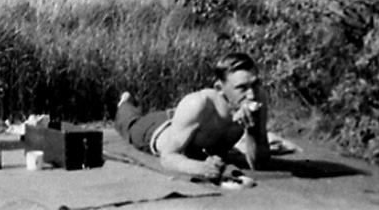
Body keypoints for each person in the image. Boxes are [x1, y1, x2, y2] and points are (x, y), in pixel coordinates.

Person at [115, 52, 270, 180]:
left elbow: (260, 163)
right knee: (129, 122)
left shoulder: (258, 97)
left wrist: (252, 131)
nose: (251, 94)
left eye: (255, 84)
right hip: (156, 130)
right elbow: (167, 157)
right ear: (219, 88)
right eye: (242, 88)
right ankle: (125, 103)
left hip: (186, 124)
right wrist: (201, 168)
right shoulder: (200, 104)